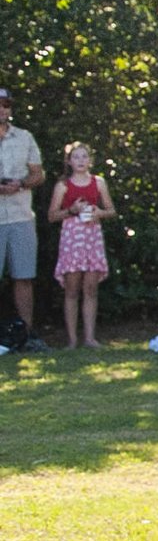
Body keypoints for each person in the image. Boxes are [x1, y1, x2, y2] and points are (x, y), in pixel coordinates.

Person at [46, 142, 117, 349]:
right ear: (69, 161)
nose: (80, 161)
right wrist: (71, 210)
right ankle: (72, 340)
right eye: (76, 157)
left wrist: (99, 212)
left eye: (84, 157)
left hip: (92, 237)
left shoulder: (99, 182)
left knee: (91, 288)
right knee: (71, 289)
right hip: (72, 239)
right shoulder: (63, 186)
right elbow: (52, 215)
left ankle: (90, 338)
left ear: (90, 160)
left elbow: (111, 210)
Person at [0, 86, 48, 349]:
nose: (2, 109)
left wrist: (20, 184)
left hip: (20, 216)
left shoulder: (25, 137)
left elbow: (38, 174)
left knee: (24, 276)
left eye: (6, 104)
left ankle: (26, 335)